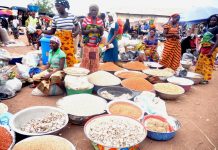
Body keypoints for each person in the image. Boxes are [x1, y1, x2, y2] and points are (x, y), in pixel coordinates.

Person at [39, 0, 80, 67]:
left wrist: (76, 32)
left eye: (58, 6)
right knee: (58, 56)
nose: (57, 8)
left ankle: (68, 72)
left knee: (69, 56)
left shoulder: (72, 16)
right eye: (56, 6)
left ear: (64, 6)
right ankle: (58, 72)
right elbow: (52, 31)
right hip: (58, 42)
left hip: (68, 42)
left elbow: (78, 26)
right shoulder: (55, 17)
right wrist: (42, 31)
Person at [195, 15, 218, 84]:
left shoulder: (217, 28)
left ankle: (205, 79)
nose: (212, 21)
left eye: (214, 20)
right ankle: (199, 77)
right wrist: (200, 48)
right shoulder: (207, 28)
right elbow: (204, 39)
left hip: (211, 48)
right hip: (204, 47)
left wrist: (211, 51)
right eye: (211, 20)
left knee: (208, 64)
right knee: (200, 62)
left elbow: (217, 41)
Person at [80, 4, 104, 72]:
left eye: (95, 10)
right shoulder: (86, 20)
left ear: (98, 11)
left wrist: (100, 29)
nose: (93, 11)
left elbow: (101, 34)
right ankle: (85, 75)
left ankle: (92, 75)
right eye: (92, 10)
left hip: (95, 46)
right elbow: (82, 32)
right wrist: (91, 30)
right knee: (86, 61)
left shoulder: (100, 21)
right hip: (87, 45)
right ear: (89, 11)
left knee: (93, 61)